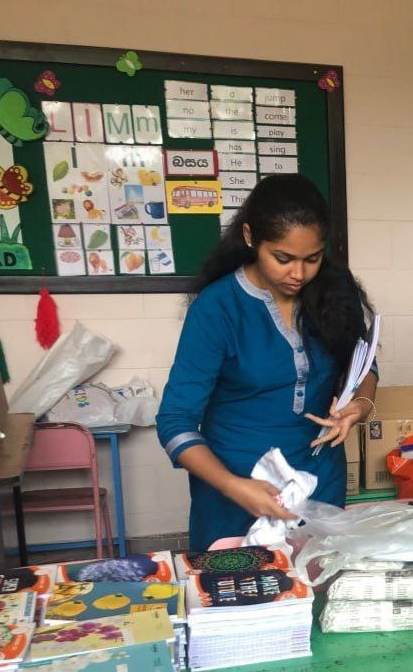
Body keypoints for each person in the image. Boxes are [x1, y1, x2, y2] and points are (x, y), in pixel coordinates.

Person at [157, 174, 377, 550]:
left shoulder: (333, 292)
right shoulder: (217, 309)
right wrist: (232, 486)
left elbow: (364, 367)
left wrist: (359, 406)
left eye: (312, 258)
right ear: (249, 238)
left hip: (319, 479)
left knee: (316, 590)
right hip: (238, 487)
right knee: (242, 595)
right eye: (283, 258)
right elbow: (174, 421)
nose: (299, 274)